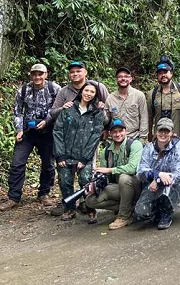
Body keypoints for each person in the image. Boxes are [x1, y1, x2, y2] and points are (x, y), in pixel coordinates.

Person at [1, 63, 61, 211]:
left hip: (47, 131)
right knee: (17, 163)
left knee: (48, 164)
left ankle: (44, 193)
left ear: (46, 74)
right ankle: (14, 197)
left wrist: (47, 121)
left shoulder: (54, 89)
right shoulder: (23, 90)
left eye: (40, 74)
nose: (37, 77)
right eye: (34, 74)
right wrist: (19, 129)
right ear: (30, 75)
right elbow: (18, 111)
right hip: (27, 132)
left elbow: (58, 109)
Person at [53, 82, 106, 220]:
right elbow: (58, 131)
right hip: (66, 153)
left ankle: (90, 208)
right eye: (86, 90)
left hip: (84, 155)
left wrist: (84, 158)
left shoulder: (97, 113)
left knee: (85, 180)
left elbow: (95, 137)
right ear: (81, 91)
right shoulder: (68, 109)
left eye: (92, 92)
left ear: (96, 95)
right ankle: (70, 209)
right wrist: (60, 155)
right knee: (65, 181)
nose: (88, 93)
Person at [85, 119, 144, 229]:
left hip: (136, 186)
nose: (118, 134)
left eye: (120, 131)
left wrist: (110, 170)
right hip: (118, 187)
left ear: (125, 131)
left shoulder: (135, 145)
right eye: (114, 132)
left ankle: (124, 216)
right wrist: (95, 185)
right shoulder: (106, 151)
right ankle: (127, 208)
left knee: (124, 178)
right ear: (110, 134)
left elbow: (132, 168)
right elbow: (103, 176)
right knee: (90, 200)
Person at [135, 118, 180, 230]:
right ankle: (157, 211)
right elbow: (140, 171)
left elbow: (179, 174)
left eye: (166, 131)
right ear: (156, 131)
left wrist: (158, 180)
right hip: (154, 184)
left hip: (175, 184)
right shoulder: (149, 147)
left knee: (166, 193)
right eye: (161, 131)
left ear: (171, 133)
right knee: (140, 214)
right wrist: (157, 175)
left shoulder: (178, 147)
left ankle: (166, 214)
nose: (163, 134)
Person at [147, 58, 180, 140]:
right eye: (160, 73)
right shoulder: (152, 94)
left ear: (171, 74)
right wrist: (150, 134)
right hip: (159, 137)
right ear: (157, 76)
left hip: (177, 136)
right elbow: (149, 116)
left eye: (165, 72)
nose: (163, 75)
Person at [105, 67, 148, 144]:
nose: (123, 79)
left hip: (134, 138)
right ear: (116, 79)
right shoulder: (110, 98)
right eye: (120, 77)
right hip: (115, 140)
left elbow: (144, 118)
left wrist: (142, 139)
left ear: (131, 79)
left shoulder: (139, 95)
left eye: (126, 76)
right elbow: (106, 121)